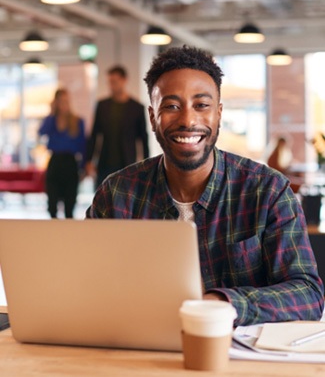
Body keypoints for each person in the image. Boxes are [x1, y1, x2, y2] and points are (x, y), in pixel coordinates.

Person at [86, 46, 324, 327]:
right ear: (152, 117)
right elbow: (86, 283)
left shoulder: (268, 191)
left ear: (219, 113)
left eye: (201, 105)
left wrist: (222, 303)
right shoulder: (116, 194)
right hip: (141, 352)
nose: (188, 120)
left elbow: (308, 295)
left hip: (239, 363)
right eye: (172, 106)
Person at [86, 65, 149, 188]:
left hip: (127, 163)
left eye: (114, 81)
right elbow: (94, 134)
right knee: (103, 199)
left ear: (124, 80)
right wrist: (89, 160)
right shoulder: (102, 106)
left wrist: (147, 165)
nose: (111, 85)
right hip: (105, 162)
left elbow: (143, 139)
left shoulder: (136, 108)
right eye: (110, 82)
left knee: (126, 200)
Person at [39, 88, 86, 218]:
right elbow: (42, 132)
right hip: (55, 162)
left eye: (65, 101)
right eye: (60, 101)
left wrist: (82, 168)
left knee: (69, 204)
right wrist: (52, 112)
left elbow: (83, 146)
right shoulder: (52, 120)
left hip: (70, 163)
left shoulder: (77, 121)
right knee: (52, 204)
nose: (63, 104)